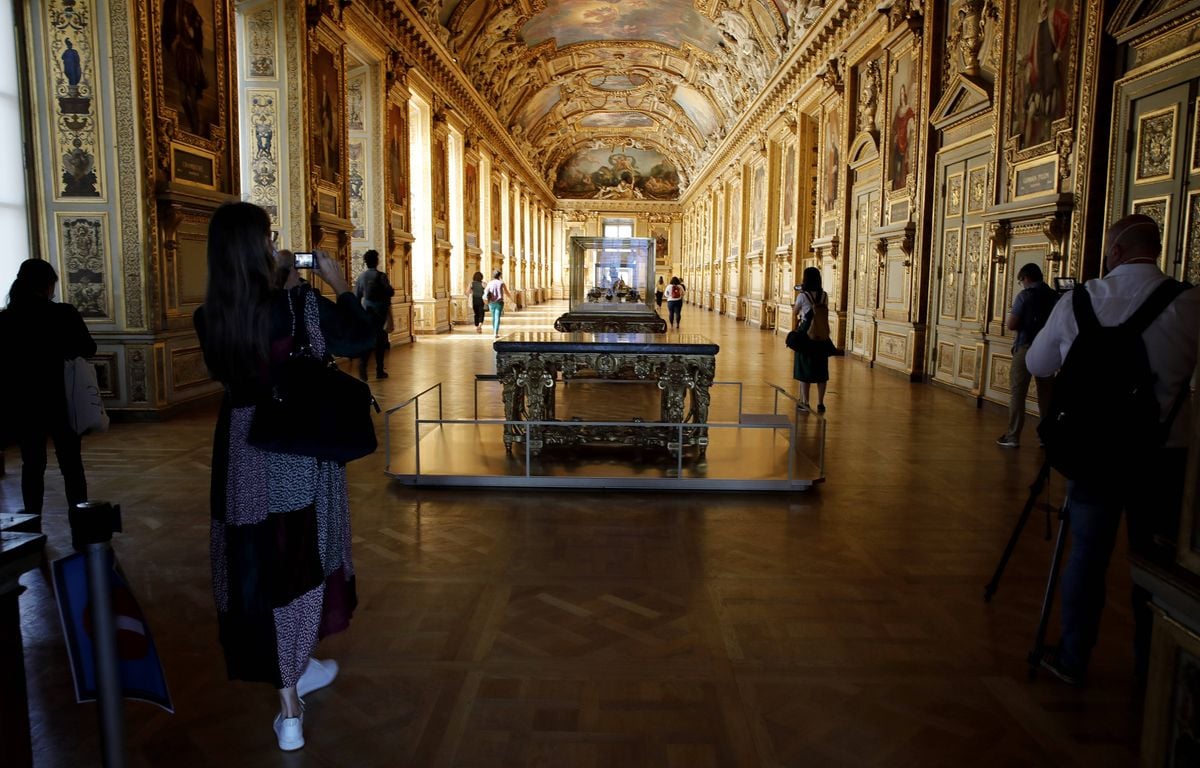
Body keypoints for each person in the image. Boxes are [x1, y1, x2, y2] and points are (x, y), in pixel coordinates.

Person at [194, 202, 373, 751]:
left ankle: (294, 673)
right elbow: (360, 335)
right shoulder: (297, 305)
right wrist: (338, 282)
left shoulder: (209, 315)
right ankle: (289, 703)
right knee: (298, 559)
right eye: (270, 238)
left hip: (241, 451)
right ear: (255, 248)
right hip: (293, 446)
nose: (277, 245)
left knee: (256, 560)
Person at [1027, 214, 1200, 686]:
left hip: (1094, 452)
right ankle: (1155, 669)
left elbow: (1036, 361)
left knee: (1086, 553)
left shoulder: (1080, 300)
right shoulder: (1189, 303)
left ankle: (1073, 656)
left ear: (1116, 252)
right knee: (1156, 565)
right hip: (1163, 456)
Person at [0, 259, 96, 529]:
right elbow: (88, 348)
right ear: (48, 283)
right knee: (71, 466)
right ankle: (81, 525)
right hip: (61, 399)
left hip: (24, 401)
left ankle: (32, 524)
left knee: (32, 466)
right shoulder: (63, 314)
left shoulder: (6, 319)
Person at [997, 263, 1057, 448]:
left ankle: (1013, 436)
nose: (1021, 284)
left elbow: (1011, 324)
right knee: (1046, 395)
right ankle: (1046, 438)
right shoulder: (1055, 296)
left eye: (1020, 280)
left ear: (1026, 278)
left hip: (1026, 346)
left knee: (1018, 393)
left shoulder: (1025, 296)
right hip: (1047, 349)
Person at [792, 267, 833, 413]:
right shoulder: (824, 296)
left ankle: (805, 402)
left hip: (806, 336)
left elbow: (796, 311)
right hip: (822, 335)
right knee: (821, 370)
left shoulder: (802, 296)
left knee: (805, 369)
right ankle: (821, 403)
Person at [353, 249, 393, 379]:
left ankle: (363, 366)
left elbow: (357, 296)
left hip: (367, 313)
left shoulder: (362, 277)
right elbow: (390, 292)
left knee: (369, 340)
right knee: (380, 342)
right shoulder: (381, 276)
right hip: (380, 313)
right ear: (376, 261)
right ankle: (379, 370)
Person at [484, 269, 513, 337]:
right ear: (499, 276)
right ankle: (495, 333)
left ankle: (494, 331)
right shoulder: (501, 283)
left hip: (491, 302)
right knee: (497, 317)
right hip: (499, 302)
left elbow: (485, 291)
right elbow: (506, 292)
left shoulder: (490, 283)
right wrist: (511, 299)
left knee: (493, 317)